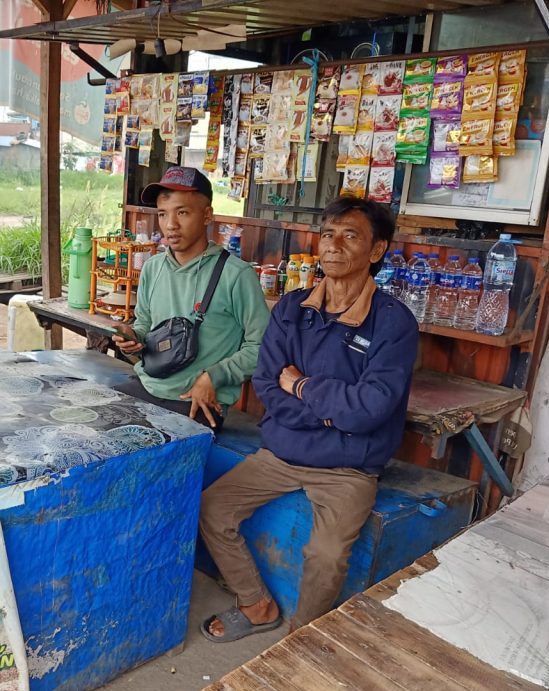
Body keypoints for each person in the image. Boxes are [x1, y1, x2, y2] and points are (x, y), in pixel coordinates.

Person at [199, 197, 418, 642]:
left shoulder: (394, 322)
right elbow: (265, 384)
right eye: (327, 235)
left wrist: (301, 387)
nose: (334, 246)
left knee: (326, 552)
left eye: (350, 236)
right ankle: (255, 603)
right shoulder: (292, 309)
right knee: (213, 508)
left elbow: (373, 407)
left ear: (376, 251)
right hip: (283, 451)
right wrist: (331, 416)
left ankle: (300, 638)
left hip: (349, 466)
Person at [111, 166, 269, 431]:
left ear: (207, 215)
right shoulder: (153, 267)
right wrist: (132, 337)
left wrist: (213, 377)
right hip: (148, 385)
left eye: (182, 212)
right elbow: (145, 326)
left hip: (197, 402)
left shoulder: (236, 275)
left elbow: (262, 346)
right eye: (163, 214)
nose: (170, 225)